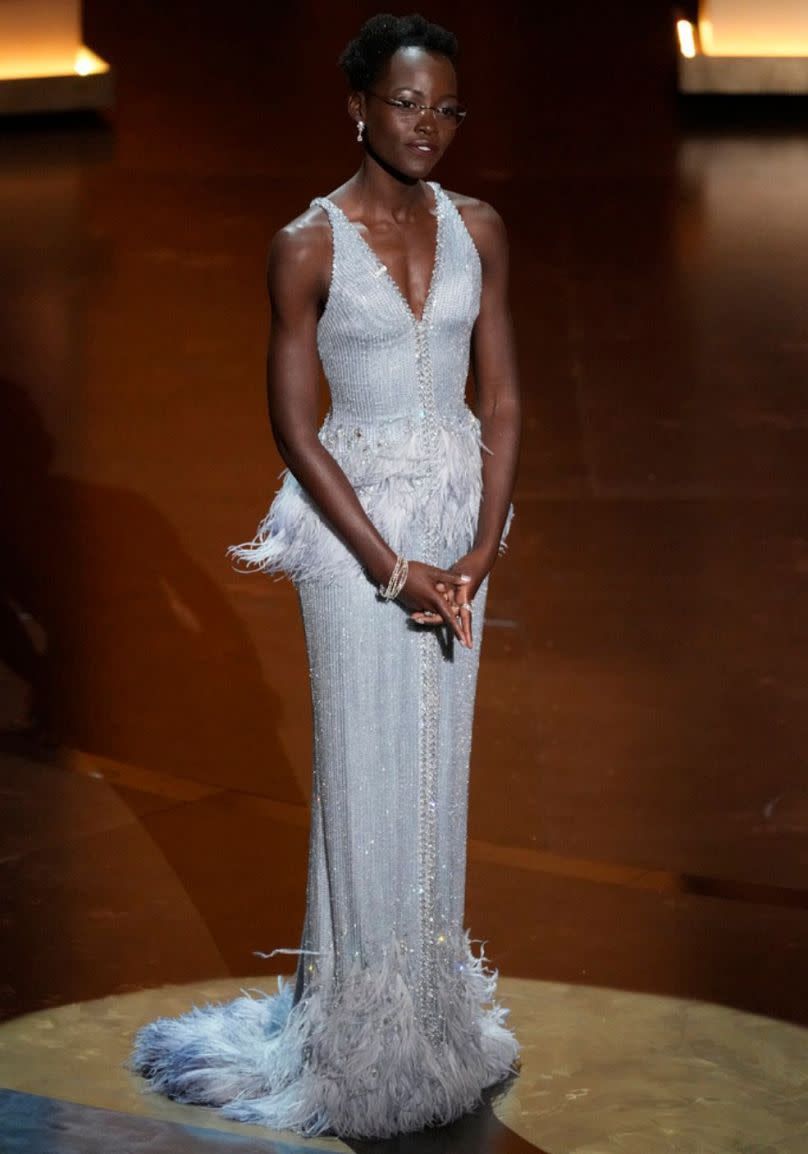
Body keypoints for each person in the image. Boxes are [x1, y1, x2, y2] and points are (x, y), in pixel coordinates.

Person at [131, 12, 521, 1140]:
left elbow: (499, 394)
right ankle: (354, 1028)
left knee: (438, 765)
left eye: (446, 106)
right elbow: (295, 426)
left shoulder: (481, 228)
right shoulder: (306, 242)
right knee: (363, 766)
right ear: (356, 105)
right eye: (406, 103)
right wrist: (390, 565)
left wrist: (481, 545)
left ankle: (429, 1013)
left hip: (458, 522)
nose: (428, 125)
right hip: (352, 535)